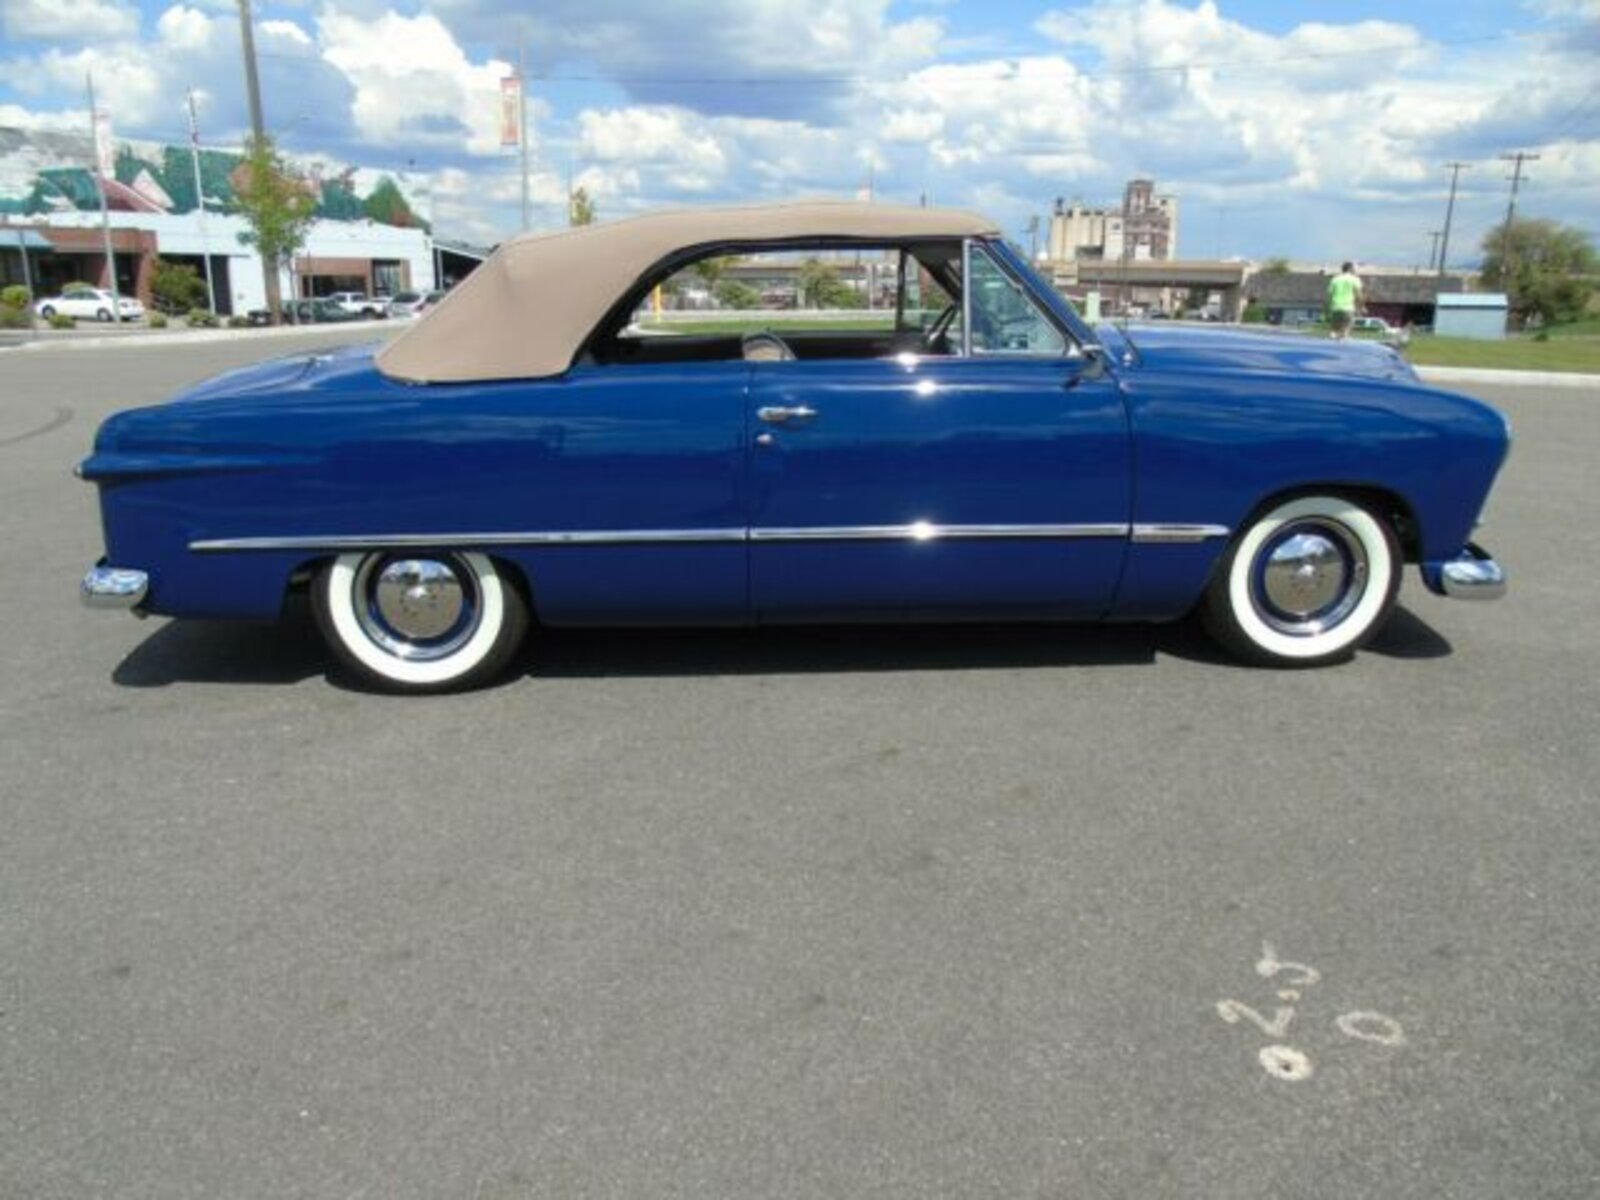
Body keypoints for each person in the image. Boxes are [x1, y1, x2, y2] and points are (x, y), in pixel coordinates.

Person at [1326, 262, 1363, 340]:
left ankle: (1331, 343)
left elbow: (1329, 295)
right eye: (1354, 269)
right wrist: (1361, 306)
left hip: (1335, 307)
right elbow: (1359, 295)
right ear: (1350, 269)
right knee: (1346, 330)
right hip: (1348, 308)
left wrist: (1328, 308)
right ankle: (1344, 342)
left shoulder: (1335, 279)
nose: (1355, 270)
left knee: (1334, 330)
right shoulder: (1355, 279)